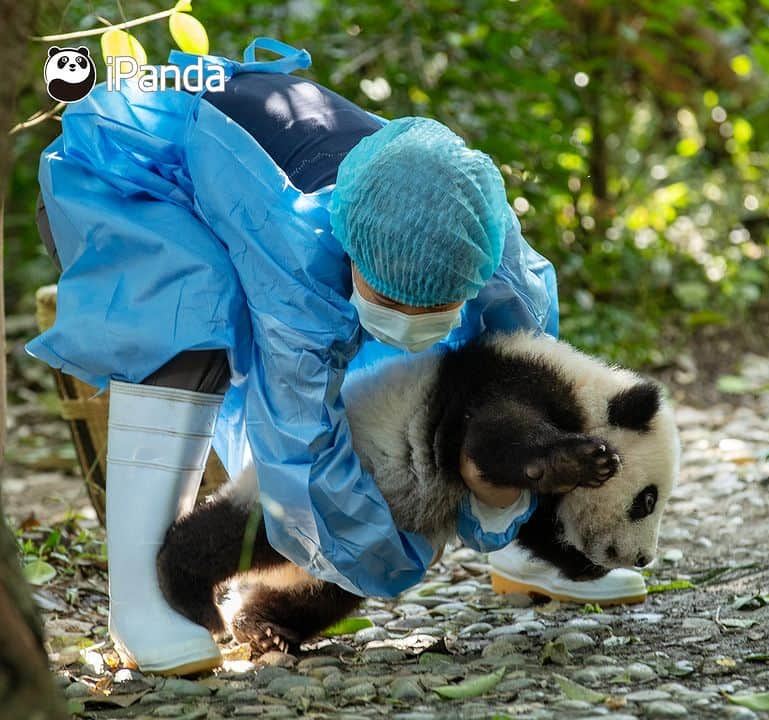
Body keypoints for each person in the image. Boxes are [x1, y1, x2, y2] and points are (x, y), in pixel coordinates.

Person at [29, 38, 644, 676]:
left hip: (279, 187)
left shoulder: (482, 236)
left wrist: (503, 502)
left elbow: (531, 372)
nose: (411, 325)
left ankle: (522, 549)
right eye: (391, 298)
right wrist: (394, 551)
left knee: (470, 371)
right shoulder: (299, 254)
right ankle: (140, 599)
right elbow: (299, 443)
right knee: (188, 311)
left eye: (436, 304)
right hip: (130, 167)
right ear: (350, 254)